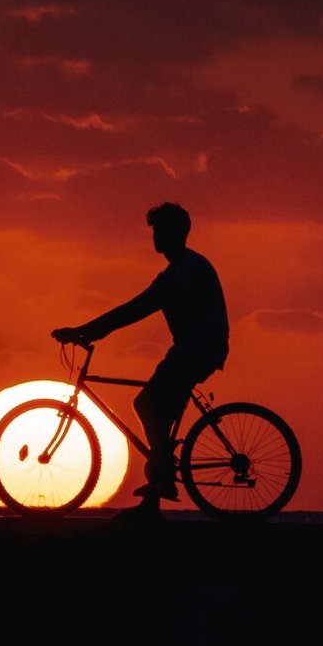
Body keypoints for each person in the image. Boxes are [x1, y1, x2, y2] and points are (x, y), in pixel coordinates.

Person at [51, 201, 229, 513]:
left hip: (196, 349)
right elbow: (135, 308)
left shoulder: (184, 272)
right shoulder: (180, 270)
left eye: (160, 230)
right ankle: (152, 503)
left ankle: (162, 477)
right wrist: (89, 330)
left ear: (176, 233)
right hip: (194, 348)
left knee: (145, 404)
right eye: (154, 231)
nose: (155, 236)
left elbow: (135, 309)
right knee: (158, 417)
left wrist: (86, 331)